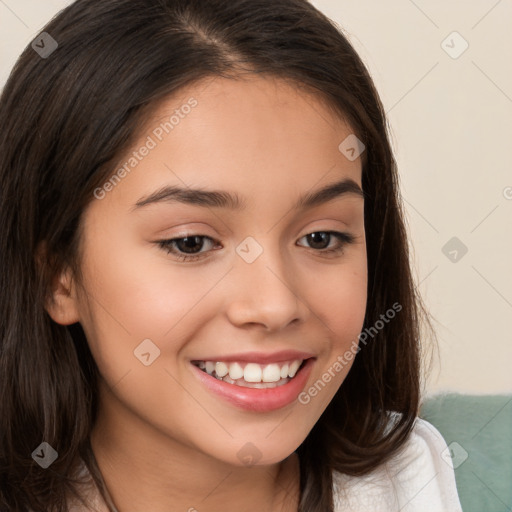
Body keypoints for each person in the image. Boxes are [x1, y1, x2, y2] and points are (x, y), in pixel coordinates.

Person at [0, 0, 463, 511]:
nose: (274, 305)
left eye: (321, 237)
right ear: (57, 278)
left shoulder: (408, 480)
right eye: (191, 243)